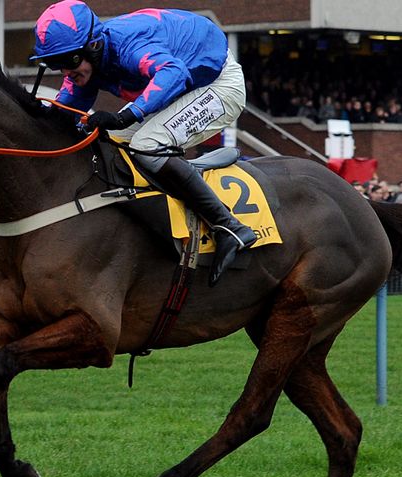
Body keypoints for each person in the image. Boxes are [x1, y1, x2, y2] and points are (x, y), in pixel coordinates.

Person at [31, 0, 256, 286]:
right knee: (105, 145)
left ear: (94, 47)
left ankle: (229, 227)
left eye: (69, 61)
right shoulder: (87, 62)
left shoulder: (129, 45)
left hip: (218, 84)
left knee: (148, 144)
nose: (64, 71)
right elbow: (61, 113)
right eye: (55, 64)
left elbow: (171, 73)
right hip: (182, 86)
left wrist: (127, 115)